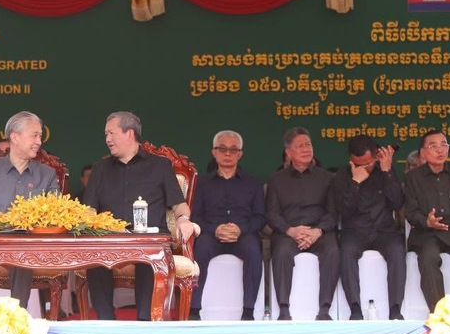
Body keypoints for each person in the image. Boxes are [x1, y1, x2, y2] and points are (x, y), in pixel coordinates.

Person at [83, 111, 192, 321]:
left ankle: (146, 323)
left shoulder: (160, 166)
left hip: (149, 241)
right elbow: (89, 209)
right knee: (95, 257)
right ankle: (106, 323)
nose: (107, 139)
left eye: (111, 133)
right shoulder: (99, 169)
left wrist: (183, 220)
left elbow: (179, 205)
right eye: (106, 134)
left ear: (129, 133)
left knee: (150, 257)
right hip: (110, 240)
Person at [0, 112, 59, 311]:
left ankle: (17, 317)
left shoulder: (47, 174)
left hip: (29, 242)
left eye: (40, 136)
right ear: (15, 137)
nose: (39, 142)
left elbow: (54, 215)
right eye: (34, 135)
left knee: (22, 256)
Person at [190, 130, 265, 321]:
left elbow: (260, 217)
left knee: (253, 249)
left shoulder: (253, 183)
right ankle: (194, 309)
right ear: (214, 152)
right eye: (222, 149)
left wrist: (241, 229)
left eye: (233, 150)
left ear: (240, 154)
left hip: (243, 235)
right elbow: (195, 216)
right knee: (200, 247)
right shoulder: (201, 183)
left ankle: (248, 311)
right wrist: (215, 229)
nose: (228, 154)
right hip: (211, 234)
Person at [266, 127, 338, 321]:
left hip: (319, 232)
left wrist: (317, 231)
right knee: (281, 251)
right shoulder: (276, 179)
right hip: (289, 233)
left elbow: (333, 213)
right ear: (288, 152)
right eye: (300, 146)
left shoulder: (327, 178)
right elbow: (271, 214)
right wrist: (290, 230)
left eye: (308, 144)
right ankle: (284, 310)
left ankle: (324, 309)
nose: (306, 149)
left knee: (332, 250)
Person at [332, 135, 406, 320]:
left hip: (384, 230)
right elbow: (344, 211)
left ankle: (395, 310)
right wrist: (355, 182)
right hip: (355, 231)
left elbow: (397, 203)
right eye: (359, 164)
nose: (365, 167)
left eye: (368, 163)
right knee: (346, 251)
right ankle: (355, 309)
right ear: (351, 159)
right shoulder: (342, 175)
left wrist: (387, 171)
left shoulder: (385, 170)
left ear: (375, 155)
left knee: (397, 249)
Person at [404, 129, 450, 312]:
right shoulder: (413, 177)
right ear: (423, 152)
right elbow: (410, 212)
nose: (440, 150)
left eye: (444, 145)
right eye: (433, 146)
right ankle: (439, 311)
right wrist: (426, 221)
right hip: (427, 233)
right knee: (428, 256)